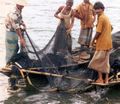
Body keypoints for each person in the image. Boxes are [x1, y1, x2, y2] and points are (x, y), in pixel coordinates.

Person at [88, 2, 113, 84]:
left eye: (99, 9)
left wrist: (92, 41)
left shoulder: (101, 18)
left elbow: (98, 32)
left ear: (102, 9)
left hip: (102, 44)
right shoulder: (105, 17)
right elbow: (111, 28)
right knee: (105, 62)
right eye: (96, 9)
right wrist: (106, 34)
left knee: (96, 62)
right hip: (108, 43)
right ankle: (105, 79)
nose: (97, 11)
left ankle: (100, 79)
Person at [5, 0, 27, 66]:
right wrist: (21, 39)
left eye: (23, 5)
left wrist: (22, 23)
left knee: (16, 48)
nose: (23, 7)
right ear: (18, 4)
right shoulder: (13, 13)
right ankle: (8, 65)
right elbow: (16, 27)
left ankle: (12, 64)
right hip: (11, 33)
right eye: (21, 5)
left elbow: (19, 19)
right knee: (11, 50)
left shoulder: (19, 10)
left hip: (14, 32)